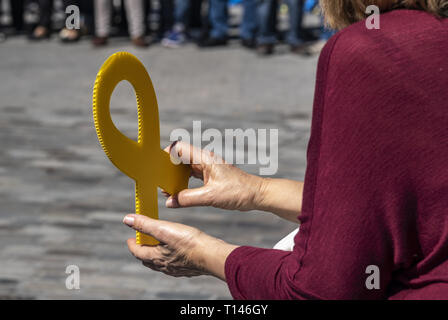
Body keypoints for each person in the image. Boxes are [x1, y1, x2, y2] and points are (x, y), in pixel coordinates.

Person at [122, 0, 448, 299]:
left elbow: (322, 288)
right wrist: (257, 190)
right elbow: (414, 213)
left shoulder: (375, 50)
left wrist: (201, 253)